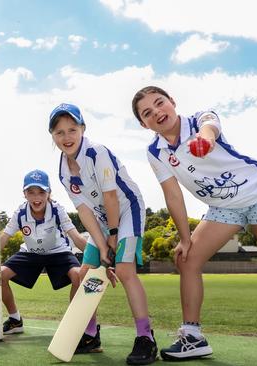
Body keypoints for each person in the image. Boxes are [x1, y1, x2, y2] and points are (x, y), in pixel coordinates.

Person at [132, 86, 257, 364]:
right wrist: (185, 237)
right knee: (187, 259)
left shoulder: (200, 119)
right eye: (148, 113)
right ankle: (193, 337)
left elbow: (209, 128)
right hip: (224, 207)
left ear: (172, 101)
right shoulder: (156, 151)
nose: (157, 112)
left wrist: (205, 139)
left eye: (160, 103)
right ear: (144, 124)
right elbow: (173, 195)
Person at [48, 103, 158, 364]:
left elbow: (110, 196)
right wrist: (101, 244)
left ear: (83, 129)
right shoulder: (63, 170)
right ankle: (90, 334)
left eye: (72, 130)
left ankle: (146, 338)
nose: (67, 137)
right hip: (99, 218)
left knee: (124, 270)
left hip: (126, 209)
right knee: (85, 273)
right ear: (52, 136)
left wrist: (113, 234)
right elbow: (85, 211)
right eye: (60, 132)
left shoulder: (97, 153)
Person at [0, 169, 90, 336]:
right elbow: (2, 240)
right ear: (24, 194)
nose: (36, 197)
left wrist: (100, 256)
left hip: (58, 252)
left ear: (48, 193)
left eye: (41, 192)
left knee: (78, 275)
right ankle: (15, 320)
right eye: (31, 192)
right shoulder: (20, 212)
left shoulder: (57, 210)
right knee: (0, 274)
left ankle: (73, 324)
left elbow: (76, 237)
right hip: (31, 253)